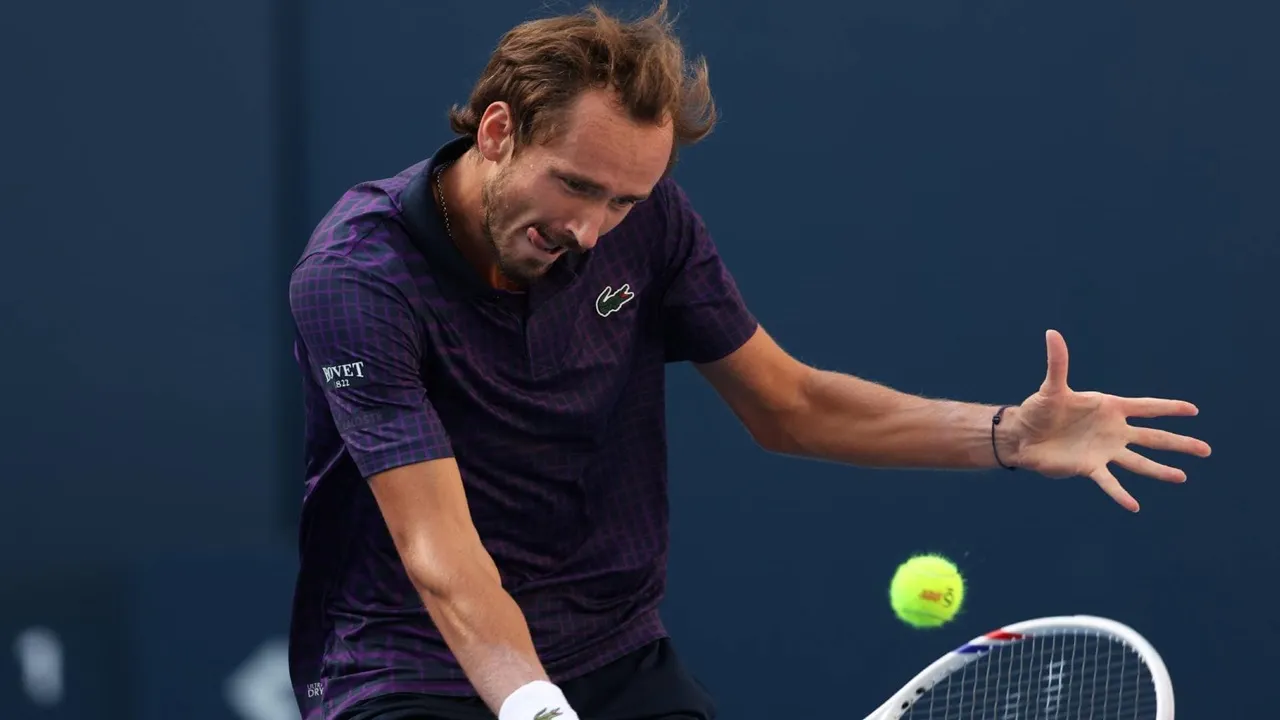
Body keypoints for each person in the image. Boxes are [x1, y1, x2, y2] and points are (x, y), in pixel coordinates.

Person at [285, 2, 1211, 719]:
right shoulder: (358, 277)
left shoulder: (646, 231)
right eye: (574, 186)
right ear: (498, 132)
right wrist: (537, 708)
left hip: (611, 652)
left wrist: (1006, 434)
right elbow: (439, 552)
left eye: (622, 200)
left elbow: (790, 405)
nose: (590, 230)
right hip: (407, 660)